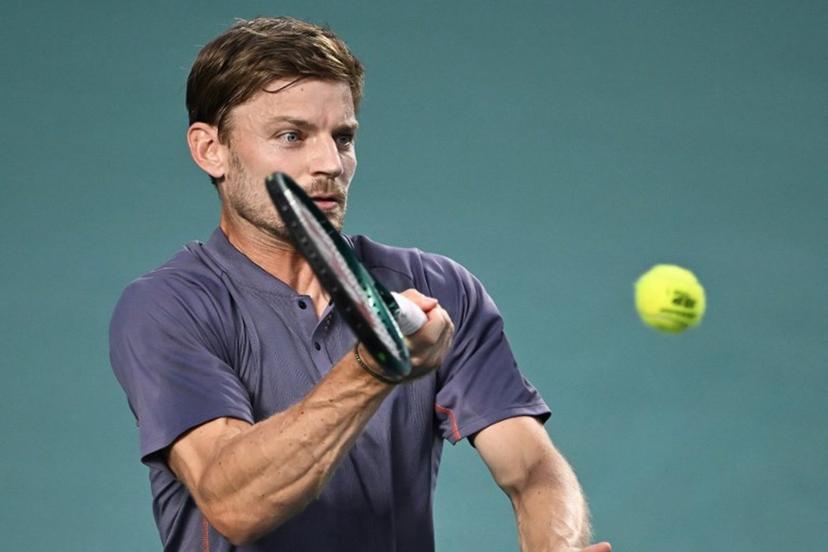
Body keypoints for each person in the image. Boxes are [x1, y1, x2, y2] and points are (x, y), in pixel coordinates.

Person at [109, 16, 611, 552]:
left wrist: (558, 544)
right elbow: (234, 502)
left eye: (343, 137)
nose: (329, 163)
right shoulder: (167, 307)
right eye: (291, 136)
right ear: (211, 149)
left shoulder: (440, 286)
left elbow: (531, 468)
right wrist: (376, 366)